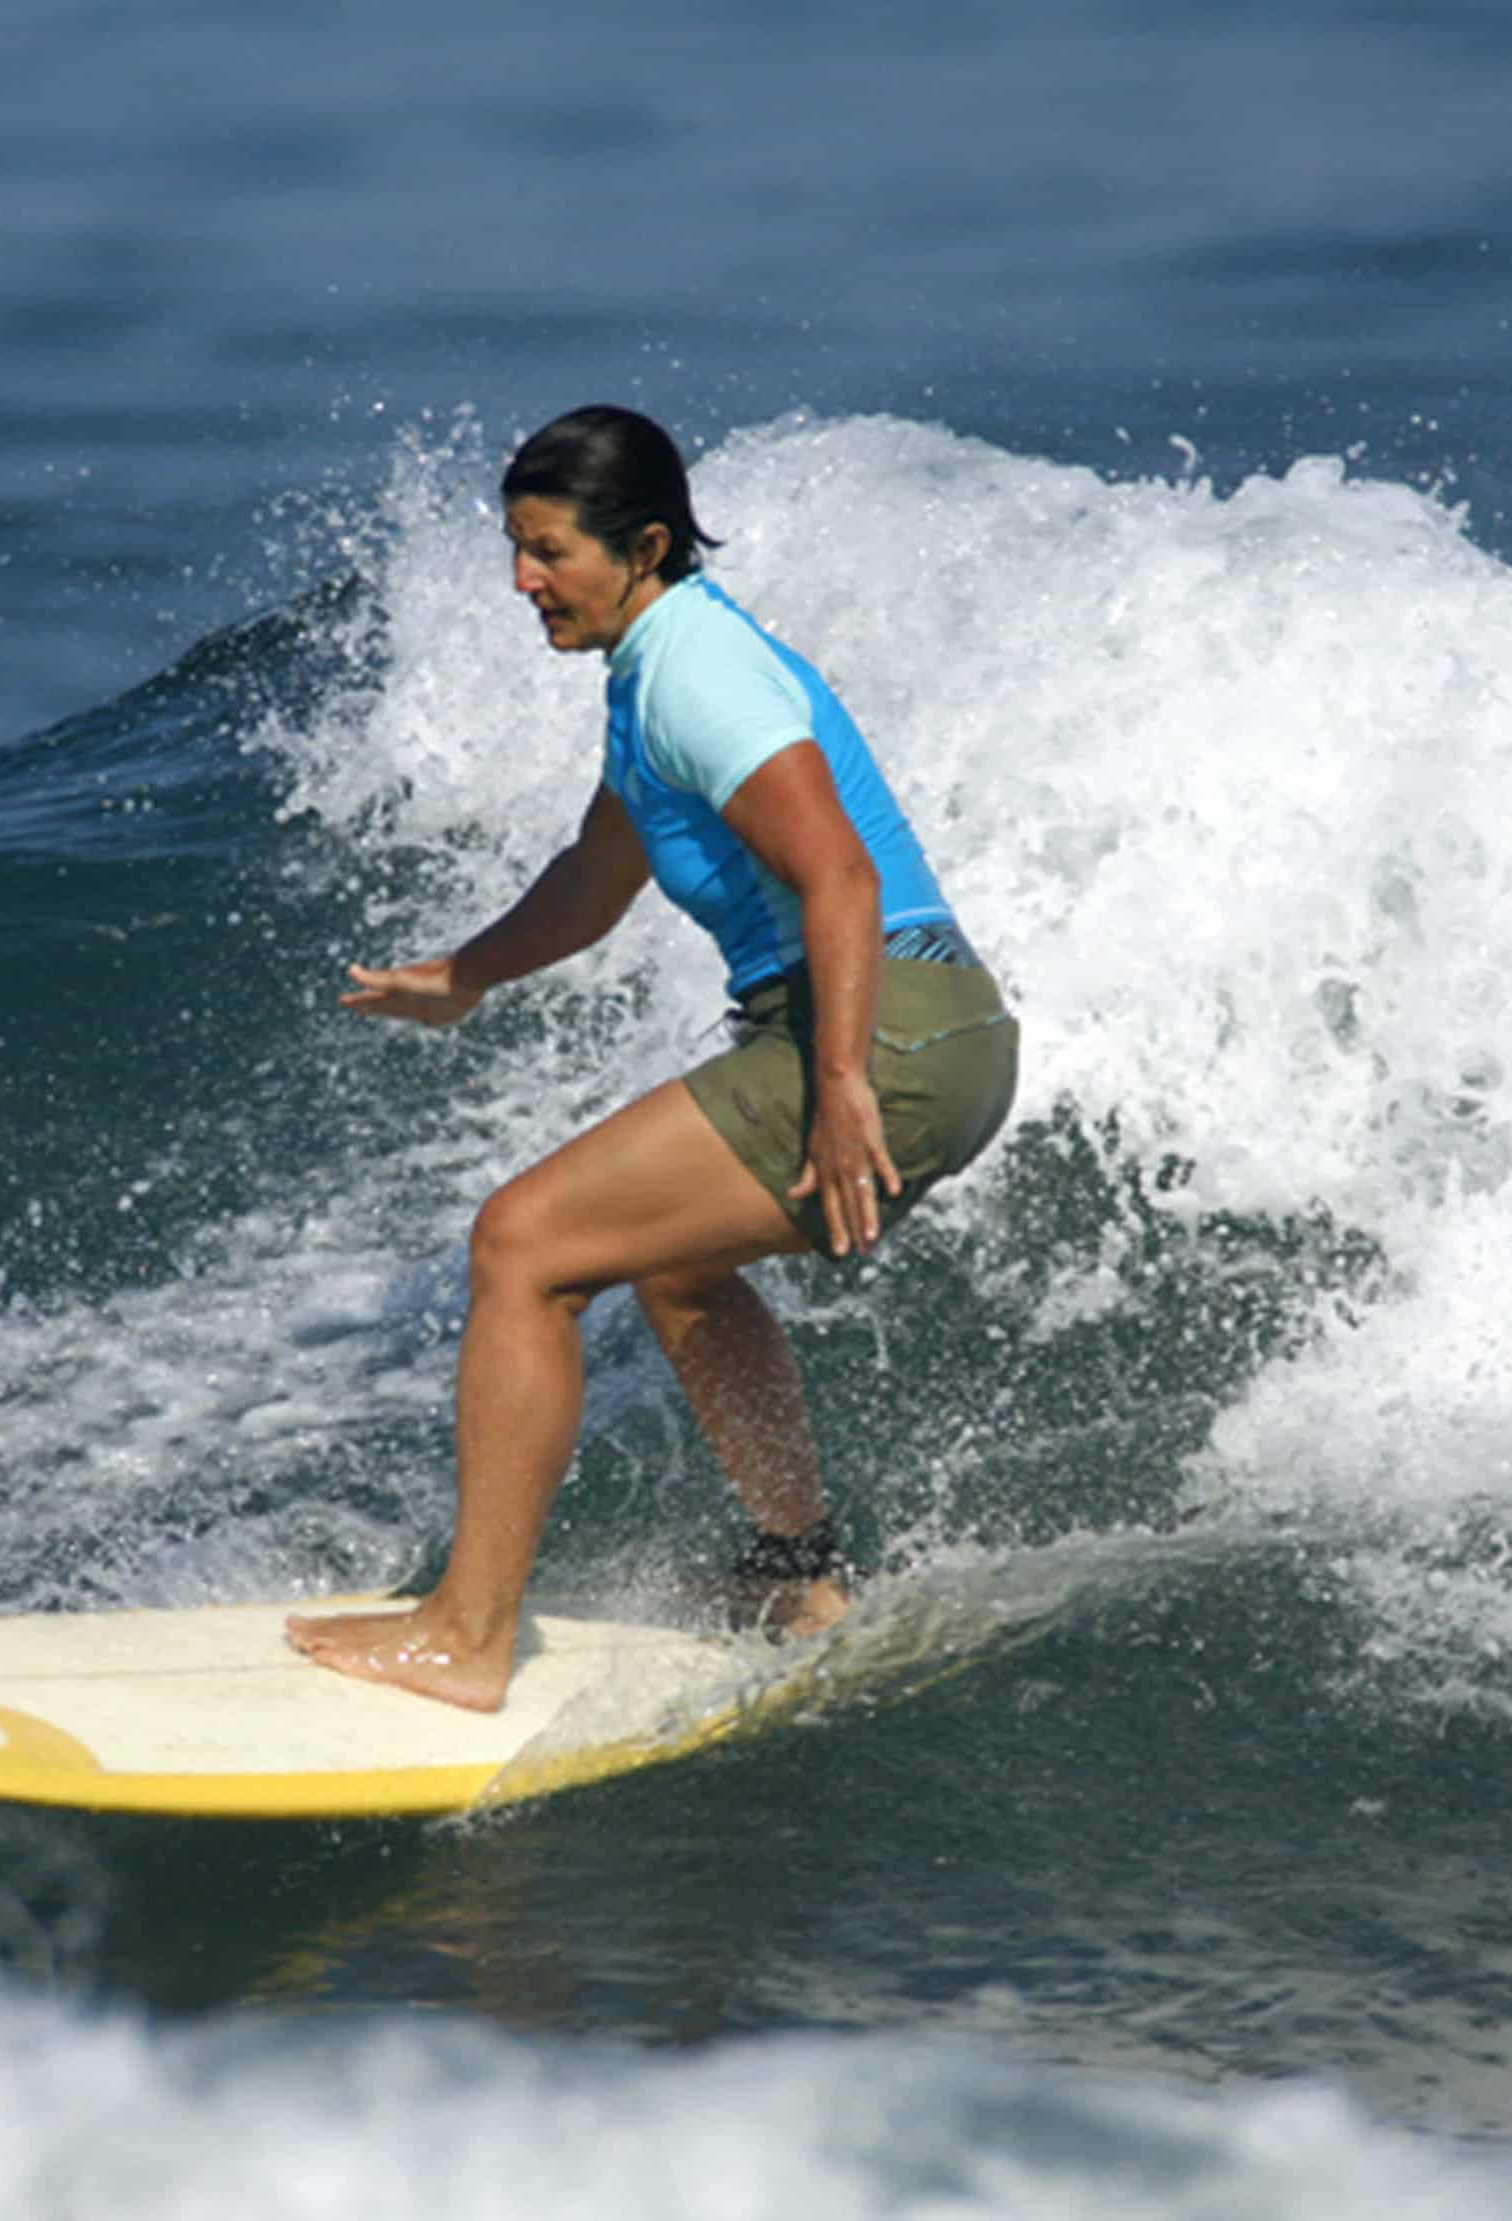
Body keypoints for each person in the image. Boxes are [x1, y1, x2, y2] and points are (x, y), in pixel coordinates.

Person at [285, 405, 1020, 1712]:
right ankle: (794, 1570)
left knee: (523, 1242)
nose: (522, 581)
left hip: (888, 1029)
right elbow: (593, 875)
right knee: (674, 1260)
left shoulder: (697, 671)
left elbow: (837, 872)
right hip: (904, 1025)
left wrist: (843, 1082)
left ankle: (463, 1635)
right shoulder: (651, 671)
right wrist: (466, 975)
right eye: (514, 549)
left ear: (646, 545)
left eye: (548, 551)